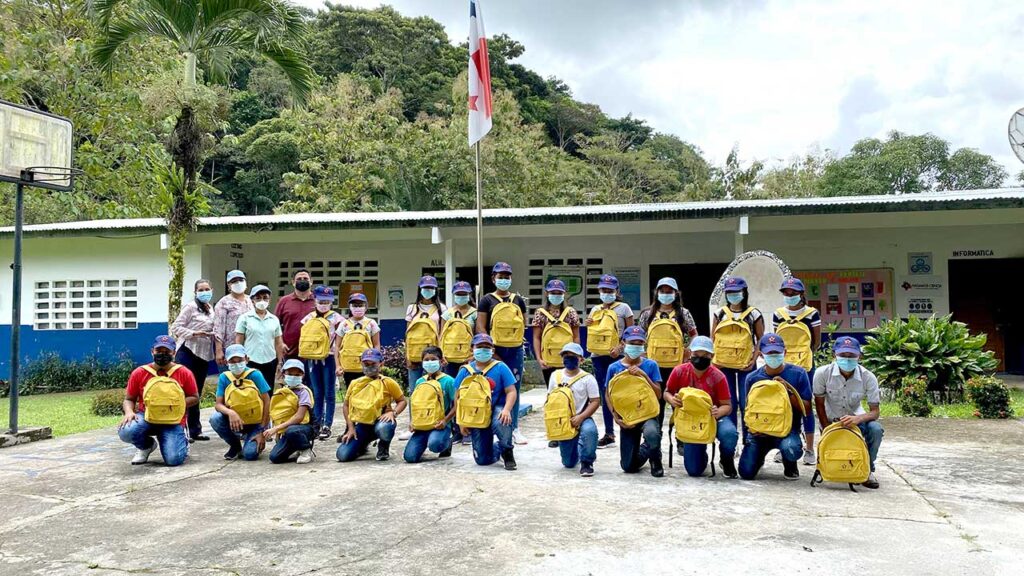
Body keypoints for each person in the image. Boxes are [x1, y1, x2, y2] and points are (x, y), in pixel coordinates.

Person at [738, 334, 813, 481]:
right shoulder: (752, 378)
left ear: (784, 352)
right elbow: (747, 409)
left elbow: (807, 409)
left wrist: (788, 391)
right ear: (761, 355)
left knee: (791, 449)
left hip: (786, 431)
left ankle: (790, 463)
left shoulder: (798, 374)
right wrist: (748, 434)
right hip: (759, 433)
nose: (774, 356)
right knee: (745, 473)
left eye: (777, 353)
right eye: (769, 353)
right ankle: (758, 458)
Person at [663, 336, 739, 478]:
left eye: (705, 356)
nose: (700, 358)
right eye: (696, 355)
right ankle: (700, 453)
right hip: (690, 419)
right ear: (689, 353)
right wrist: (672, 400)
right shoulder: (679, 371)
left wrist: (718, 411)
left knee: (729, 434)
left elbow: (727, 405)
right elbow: (667, 392)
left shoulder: (718, 376)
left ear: (712, 356)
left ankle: (726, 459)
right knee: (694, 470)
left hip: (712, 417)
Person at [117, 336, 199, 466]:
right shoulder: (140, 372)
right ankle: (146, 446)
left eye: (167, 352)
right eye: (159, 351)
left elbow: (194, 397)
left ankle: (178, 439)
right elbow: (129, 399)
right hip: (147, 416)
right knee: (127, 430)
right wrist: (129, 412)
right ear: (152, 351)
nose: (162, 354)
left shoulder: (184, 372)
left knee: (174, 460)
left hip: (173, 419)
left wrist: (175, 403)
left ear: (174, 353)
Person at [813, 336, 882, 489]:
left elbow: (875, 412)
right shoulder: (822, 373)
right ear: (834, 355)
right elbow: (819, 404)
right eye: (843, 355)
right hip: (831, 420)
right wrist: (826, 428)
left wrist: (858, 419)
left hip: (856, 420)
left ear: (860, 356)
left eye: (852, 356)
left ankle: (867, 469)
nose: (847, 359)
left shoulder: (868, 377)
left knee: (876, 430)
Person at [476, 262, 529, 445]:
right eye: (500, 276)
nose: (504, 279)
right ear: (493, 278)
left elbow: (523, 323)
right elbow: (481, 326)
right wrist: (488, 349)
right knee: (492, 386)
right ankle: (489, 424)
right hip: (494, 349)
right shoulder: (486, 300)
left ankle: (514, 428)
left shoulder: (518, 300)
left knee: (514, 386)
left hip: (515, 349)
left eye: (507, 276)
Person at [772, 277, 822, 466]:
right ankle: (782, 446)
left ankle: (809, 449)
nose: (789, 296)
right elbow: (776, 340)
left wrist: (805, 354)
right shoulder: (778, 314)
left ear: (801, 294)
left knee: (806, 406)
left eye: (793, 293)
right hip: (783, 364)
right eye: (786, 293)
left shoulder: (812, 313)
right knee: (782, 405)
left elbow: (816, 342)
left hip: (805, 365)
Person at [637, 277, 698, 423]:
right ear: (657, 293)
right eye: (662, 291)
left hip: (677, 365)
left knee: (679, 401)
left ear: (676, 293)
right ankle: (655, 439)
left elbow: (694, 333)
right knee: (656, 402)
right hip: (653, 365)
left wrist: (689, 349)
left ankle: (681, 438)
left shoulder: (683, 313)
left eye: (669, 291)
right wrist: (642, 353)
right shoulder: (648, 313)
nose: (665, 294)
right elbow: (638, 335)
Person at [605, 326, 664, 478]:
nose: (636, 346)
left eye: (639, 343)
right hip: (627, 417)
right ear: (623, 343)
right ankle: (647, 447)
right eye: (632, 342)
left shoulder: (651, 365)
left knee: (651, 432)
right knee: (628, 466)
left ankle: (655, 458)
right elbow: (608, 394)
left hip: (648, 414)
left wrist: (644, 375)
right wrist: (616, 417)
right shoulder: (614, 368)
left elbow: (658, 394)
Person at [585, 274, 635, 449]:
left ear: (617, 291)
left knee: (621, 393)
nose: (606, 293)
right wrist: (589, 323)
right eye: (603, 290)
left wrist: (620, 349)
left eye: (610, 290)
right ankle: (609, 433)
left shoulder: (624, 308)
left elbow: (632, 334)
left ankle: (629, 428)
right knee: (605, 393)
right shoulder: (595, 309)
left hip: (619, 357)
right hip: (598, 356)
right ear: (599, 291)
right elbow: (593, 333)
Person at [455, 334, 519, 470]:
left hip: (497, 407)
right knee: (483, 460)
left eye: (487, 347)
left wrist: (507, 409)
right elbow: (458, 397)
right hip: (476, 413)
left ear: (493, 350)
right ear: (472, 349)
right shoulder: (465, 371)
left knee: (502, 420)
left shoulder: (501, 367)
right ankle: (496, 449)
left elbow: (511, 391)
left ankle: (507, 450)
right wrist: (461, 421)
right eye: (479, 347)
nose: (483, 350)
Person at [711, 276, 764, 431]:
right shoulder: (720, 313)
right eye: (729, 292)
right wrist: (714, 360)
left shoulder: (753, 314)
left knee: (747, 401)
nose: (733, 295)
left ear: (744, 292)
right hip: (722, 364)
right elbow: (712, 337)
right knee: (728, 402)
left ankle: (748, 438)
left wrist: (753, 360)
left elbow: (760, 338)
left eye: (736, 291)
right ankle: (731, 436)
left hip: (746, 364)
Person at [336, 348, 407, 462]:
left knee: (384, 428)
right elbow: (346, 405)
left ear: (381, 364)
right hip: (362, 425)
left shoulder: (388, 382)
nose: (369, 366)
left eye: (373, 363)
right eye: (366, 364)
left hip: (381, 422)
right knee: (342, 455)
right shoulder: (355, 383)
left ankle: (383, 445)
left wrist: (393, 413)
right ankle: (362, 444)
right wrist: (350, 428)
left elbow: (402, 401)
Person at [400, 276, 447, 441]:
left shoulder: (441, 308)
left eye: (431, 287)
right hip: (414, 355)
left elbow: (442, 334)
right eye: (425, 287)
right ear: (419, 289)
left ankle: (438, 422)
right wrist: (407, 355)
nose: (428, 290)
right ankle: (414, 425)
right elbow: (407, 334)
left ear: (436, 290)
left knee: (436, 389)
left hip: (433, 357)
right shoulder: (412, 308)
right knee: (415, 391)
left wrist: (442, 356)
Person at [209, 344, 272, 461]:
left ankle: (251, 439)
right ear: (226, 362)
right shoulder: (224, 377)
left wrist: (262, 431)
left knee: (250, 455)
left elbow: (267, 401)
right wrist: (230, 413)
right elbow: (218, 404)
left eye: (240, 360)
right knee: (215, 419)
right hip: (235, 423)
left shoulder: (255, 375)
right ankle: (235, 445)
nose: (236, 364)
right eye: (232, 361)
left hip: (256, 423)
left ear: (247, 359)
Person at [170, 279, 215, 441]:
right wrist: (195, 333)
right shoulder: (190, 307)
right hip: (187, 352)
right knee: (183, 392)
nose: (204, 292)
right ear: (196, 292)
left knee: (196, 393)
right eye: (201, 290)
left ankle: (195, 430)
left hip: (203, 355)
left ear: (212, 290)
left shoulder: (211, 309)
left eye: (207, 289)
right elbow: (176, 327)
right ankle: (180, 429)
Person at [546, 343, 600, 477]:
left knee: (590, 431)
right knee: (568, 463)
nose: (568, 358)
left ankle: (587, 462)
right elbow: (550, 398)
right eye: (565, 355)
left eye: (573, 356)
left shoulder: (588, 378)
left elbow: (595, 401)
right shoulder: (555, 376)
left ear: (581, 359)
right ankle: (576, 446)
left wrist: (581, 417)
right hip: (563, 419)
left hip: (582, 416)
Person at [300, 285, 344, 441]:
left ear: (332, 302)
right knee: (317, 393)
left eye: (327, 301)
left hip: (330, 358)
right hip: (312, 358)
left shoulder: (338, 319)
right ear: (315, 300)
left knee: (330, 392)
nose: (324, 304)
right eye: (321, 301)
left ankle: (327, 425)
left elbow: (342, 341)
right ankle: (317, 423)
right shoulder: (308, 318)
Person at [403, 347, 457, 463]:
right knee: (410, 457)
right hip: (422, 425)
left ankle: (447, 443)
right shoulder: (420, 381)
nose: (429, 362)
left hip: (440, 424)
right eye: (426, 360)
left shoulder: (449, 381)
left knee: (435, 445)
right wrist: (413, 422)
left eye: (433, 359)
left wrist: (445, 421)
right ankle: (425, 440)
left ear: (441, 361)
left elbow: (458, 405)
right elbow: (415, 404)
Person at [265, 359, 317, 464]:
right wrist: (278, 433)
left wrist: (276, 429)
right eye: (290, 373)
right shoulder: (281, 392)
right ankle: (295, 446)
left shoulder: (304, 392)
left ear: (302, 375)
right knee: (275, 457)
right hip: (286, 430)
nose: (293, 376)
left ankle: (305, 449)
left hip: (304, 427)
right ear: (284, 374)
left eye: (297, 374)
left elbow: (299, 417)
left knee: (292, 430)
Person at [533, 278, 581, 389]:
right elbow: (536, 337)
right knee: (552, 390)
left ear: (564, 294)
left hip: (568, 359)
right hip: (547, 360)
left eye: (559, 293)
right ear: (547, 293)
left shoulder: (571, 312)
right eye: (553, 293)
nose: (556, 295)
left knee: (568, 390)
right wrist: (539, 359)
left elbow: (576, 336)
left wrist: (577, 355)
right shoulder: (540, 313)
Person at [234, 284, 284, 388]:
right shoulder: (245, 318)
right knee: (251, 391)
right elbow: (238, 341)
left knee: (267, 390)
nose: (262, 300)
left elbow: (278, 342)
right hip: (250, 360)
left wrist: (280, 362)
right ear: (252, 300)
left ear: (269, 300)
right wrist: (240, 359)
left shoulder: (274, 319)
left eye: (265, 297)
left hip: (270, 360)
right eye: (258, 298)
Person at [335, 292, 380, 388]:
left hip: (367, 366)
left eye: (361, 305)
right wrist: (338, 365)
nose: (358, 308)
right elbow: (337, 346)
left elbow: (376, 345)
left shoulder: (371, 323)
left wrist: (377, 362)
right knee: (351, 394)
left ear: (366, 306)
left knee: (368, 393)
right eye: (355, 305)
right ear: (350, 307)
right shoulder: (344, 324)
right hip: (348, 367)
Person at [213, 269, 253, 367]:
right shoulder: (223, 303)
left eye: (241, 280)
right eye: (234, 281)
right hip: (231, 349)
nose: (238, 283)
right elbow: (218, 329)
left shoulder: (251, 300)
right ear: (229, 285)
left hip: (250, 348)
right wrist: (219, 351)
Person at [275, 269, 316, 360]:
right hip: (289, 351)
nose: (302, 281)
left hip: (314, 352)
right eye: (299, 279)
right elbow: (275, 325)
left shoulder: (318, 301)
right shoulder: (284, 301)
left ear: (311, 281)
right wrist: (280, 343)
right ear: (293, 282)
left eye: (305, 278)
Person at [440, 280, 477, 379]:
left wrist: (474, 355)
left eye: (464, 294)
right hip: (450, 358)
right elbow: (441, 336)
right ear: (454, 295)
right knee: (451, 386)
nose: (461, 296)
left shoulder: (475, 313)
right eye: (458, 294)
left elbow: (478, 336)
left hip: (469, 357)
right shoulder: (447, 314)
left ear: (469, 294)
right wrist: (441, 355)